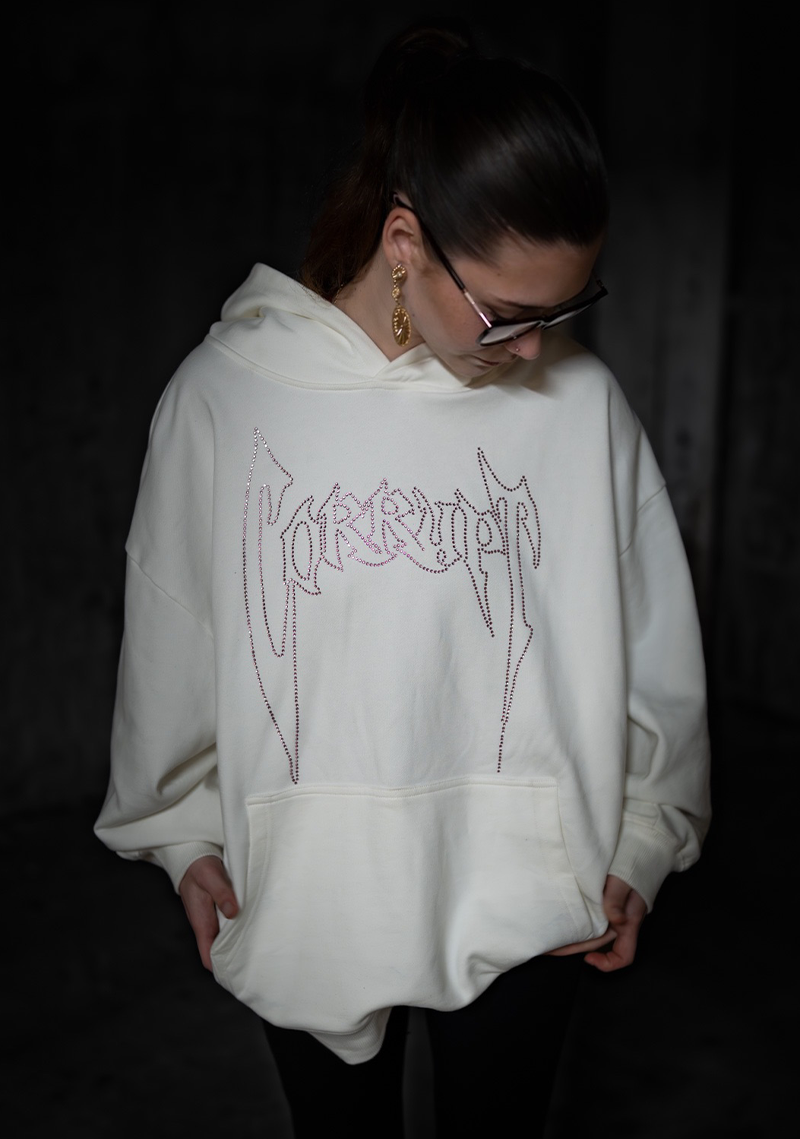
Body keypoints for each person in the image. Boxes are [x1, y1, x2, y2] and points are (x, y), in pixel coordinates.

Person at [95, 20, 711, 1137]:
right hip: (309, 899)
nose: (535, 349)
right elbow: (174, 631)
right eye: (507, 315)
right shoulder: (225, 396)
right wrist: (184, 832)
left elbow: (653, 643)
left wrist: (643, 837)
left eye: (564, 310)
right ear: (402, 241)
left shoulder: (581, 409)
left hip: (536, 902)